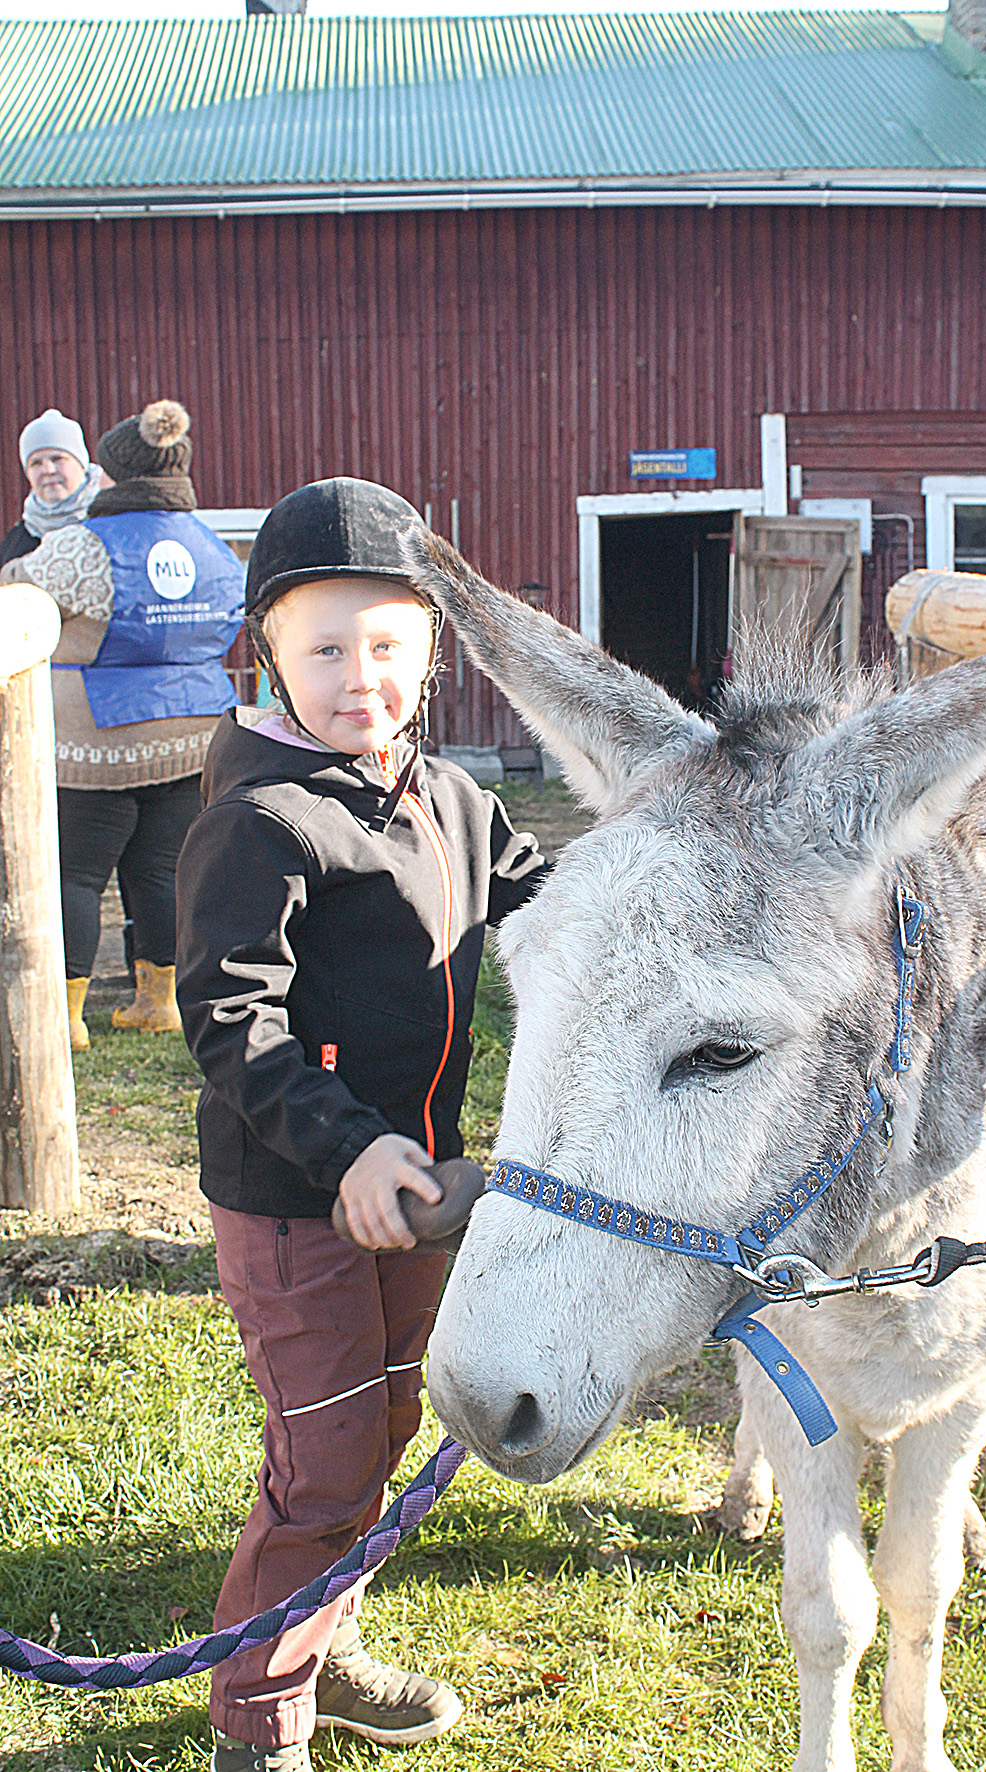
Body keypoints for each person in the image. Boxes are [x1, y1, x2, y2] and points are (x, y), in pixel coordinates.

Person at [174, 478, 546, 1772]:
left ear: (431, 653)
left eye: (388, 646)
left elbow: (542, 901)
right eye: (325, 647)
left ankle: (317, 1654)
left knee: (382, 1432)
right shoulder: (263, 820)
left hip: (420, 1193)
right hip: (298, 1201)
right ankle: (257, 1724)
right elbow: (230, 1020)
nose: (359, 677)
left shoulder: (445, 795)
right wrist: (348, 1149)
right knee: (325, 1460)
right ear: (267, 652)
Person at [0, 399, 244, 1049]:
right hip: (194, 733)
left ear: (113, 475)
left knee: (75, 876)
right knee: (162, 872)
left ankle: (65, 1011)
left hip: (97, 739)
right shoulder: (212, 547)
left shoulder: (84, 546)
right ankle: (157, 1001)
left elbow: (15, 596)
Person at [0, 407, 102, 567]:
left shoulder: (110, 520)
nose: (48, 470)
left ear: (81, 464)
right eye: (36, 463)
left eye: (57, 459)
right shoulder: (15, 545)